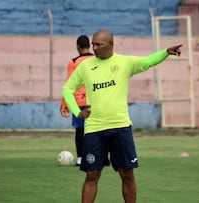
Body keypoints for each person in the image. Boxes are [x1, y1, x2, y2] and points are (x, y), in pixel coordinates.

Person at [62, 29, 182, 203]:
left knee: (127, 174)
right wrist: (77, 111)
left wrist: (165, 52)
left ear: (111, 44)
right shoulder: (85, 66)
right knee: (92, 174)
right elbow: (67, 89)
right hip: (94, 129)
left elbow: (147, 61)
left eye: (98, 44)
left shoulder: (125, 62)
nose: (94, 48)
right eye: (93, 44)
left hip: (120, 127)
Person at [60, 35, 93, 166]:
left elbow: (68, 84)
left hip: (78, 102)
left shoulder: (73, 62)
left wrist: (64, 105)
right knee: (96, 131)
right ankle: (98, 157)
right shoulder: (96, 60)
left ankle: (80, 158)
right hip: (94, 101)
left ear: (77, 47)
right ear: (90, 46)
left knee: (80, 131)